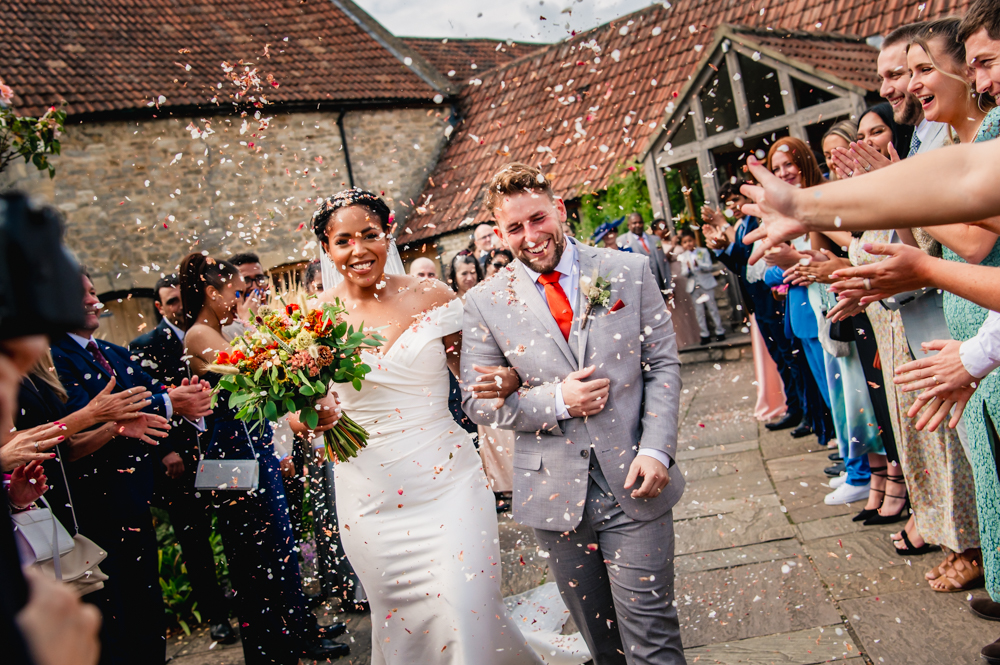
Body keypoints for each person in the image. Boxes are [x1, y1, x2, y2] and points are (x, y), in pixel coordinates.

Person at [310, 187, 566, 664]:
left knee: (466, 605)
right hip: (368, 498)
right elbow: (299, 409)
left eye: (370, 234)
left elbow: (472, 374)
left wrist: (507, 376)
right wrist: (312, 415)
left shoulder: (431, 295)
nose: (358, 250)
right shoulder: (311, 320)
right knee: (403, 620)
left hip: (447, 480)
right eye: (343, 240)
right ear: (326, 248)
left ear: (388, 234)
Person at [462, 162, 687, 665]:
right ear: (500, 232)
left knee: (652, 638)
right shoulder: (483, 302)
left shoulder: (626, 269)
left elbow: (663, 365)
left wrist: (657, 450)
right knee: (601, 646)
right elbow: (476, 401)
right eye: (514, 227)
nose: (530, 236)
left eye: (537, 219)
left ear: (559, 210)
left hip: (634, 478)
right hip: (554, 493)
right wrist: (558, 401)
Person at [180, 254, 349, 664]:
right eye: (235, 292)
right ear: (211, 292)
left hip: (256, 448)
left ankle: (294, 634)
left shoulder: (224, 327)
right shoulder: (199, 334)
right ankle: (270, 649)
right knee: (253, 557)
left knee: (278, 547)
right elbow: (255, 370)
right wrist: (275, 336)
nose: (240, 300)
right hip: (230, 459)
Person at [49, 271, 214, 665]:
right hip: (93, 507)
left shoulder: (113, 352)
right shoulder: (56, 359)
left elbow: (150, 395)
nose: (93, 300)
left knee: (146, 603)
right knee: (115, 611)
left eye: (93, 292)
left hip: (135, 499)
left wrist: (189, 398)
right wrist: (172, 403)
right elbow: (83, 421)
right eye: (83, 293)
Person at [129, 275, 236, 644]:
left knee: (234, 526)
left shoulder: (210, 332)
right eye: (170, 302)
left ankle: (245, 601)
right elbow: (144, 399)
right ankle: (216, 615)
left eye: (180, 299)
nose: (177, 306)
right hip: (179, 461)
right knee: (194, 540)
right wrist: (165, 450)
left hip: (219, 448)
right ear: (159, 307)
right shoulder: (145, 344)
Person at [704, 180, 807, 432]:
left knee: (789, 356)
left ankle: (805, 412)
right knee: (779, 358)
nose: (734, 206)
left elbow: (750, 255)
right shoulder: (742, 227)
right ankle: (794, 407)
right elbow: (741, 264)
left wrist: (726, 237)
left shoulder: (757, 222)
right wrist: (721, 250)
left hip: (772, 299)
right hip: (757, 303)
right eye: (729, 203)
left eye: (736, 200)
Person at [676, 229, 726, 344]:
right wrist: (688, 268)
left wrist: (699, 265)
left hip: (706, 284)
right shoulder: (683, 256)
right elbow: (683, 273)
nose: (688, 243)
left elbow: (709, 266)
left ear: (694, 240)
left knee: (712, 308)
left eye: (690, 241)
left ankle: (720, 331)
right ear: (682, 244)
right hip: (694, 286)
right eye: (685, 242)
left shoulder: (702, 251)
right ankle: (705, 334)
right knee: (699, 312)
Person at [619, 211, 669, 292]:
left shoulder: (655, 239)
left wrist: (669, 286)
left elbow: (664, 262)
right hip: (642, 289)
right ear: (628, 225)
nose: (638, 225)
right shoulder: (622, 241)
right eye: (634, 223)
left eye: (640, 222)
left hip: (661, 286)